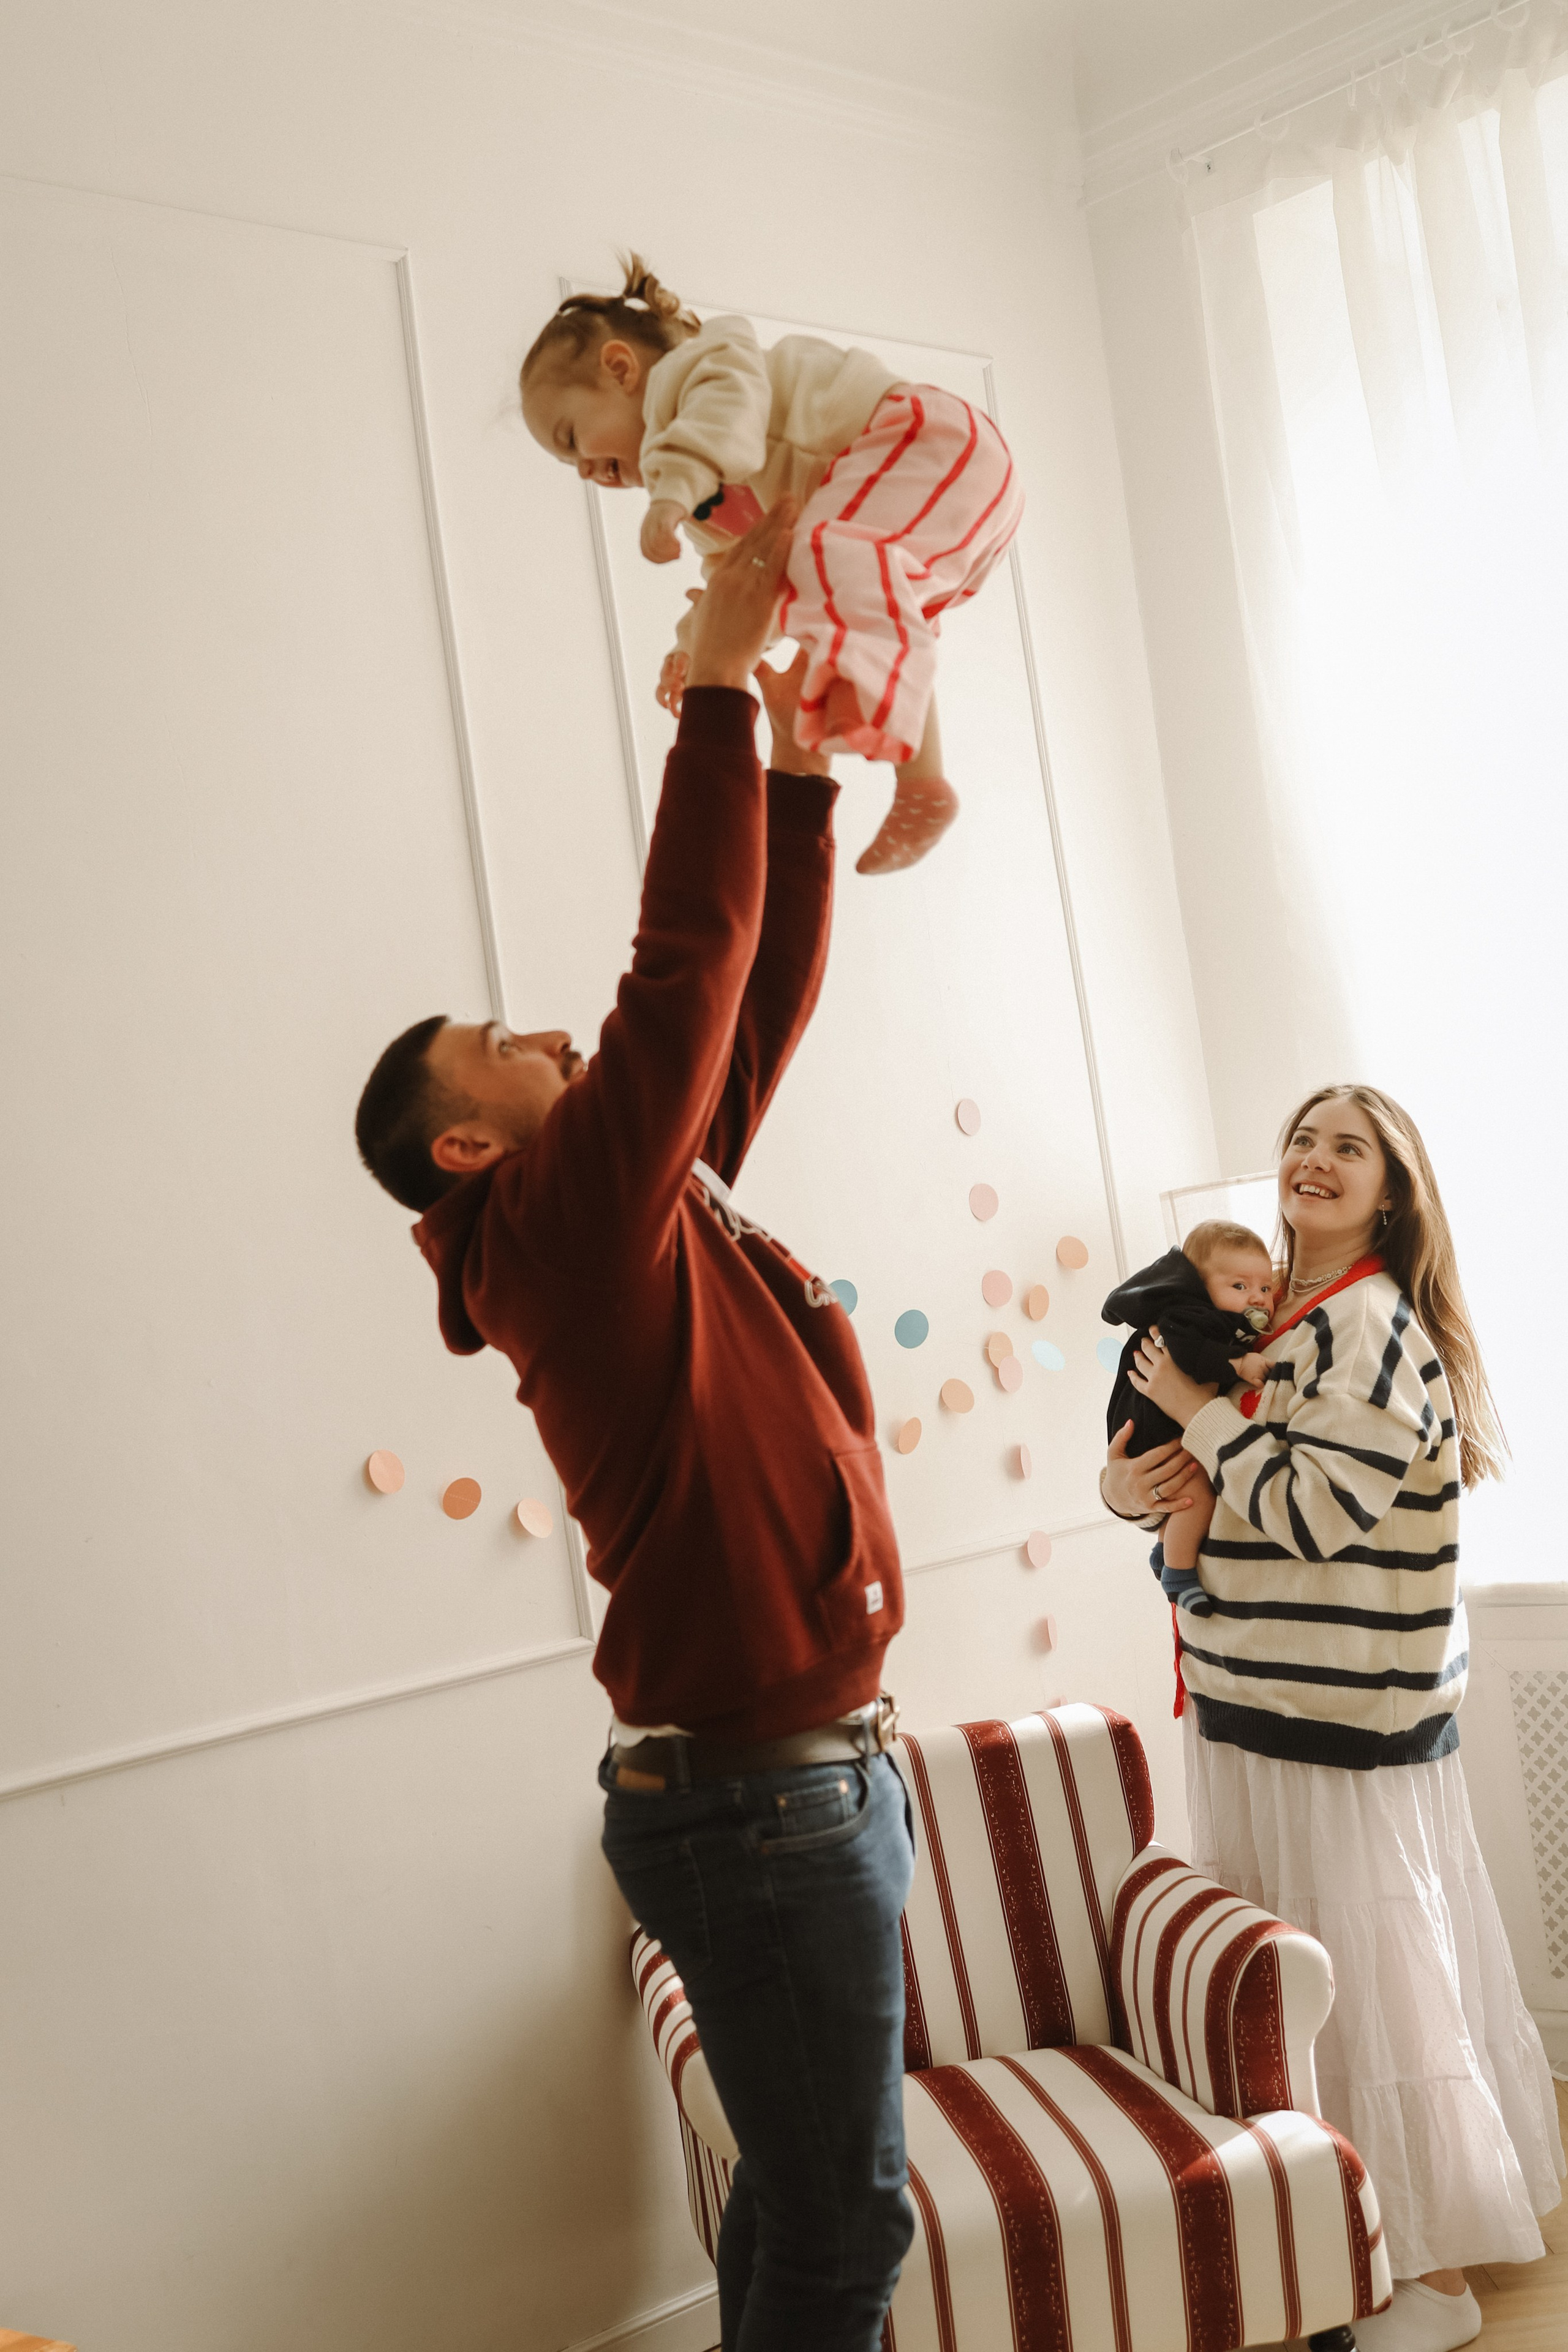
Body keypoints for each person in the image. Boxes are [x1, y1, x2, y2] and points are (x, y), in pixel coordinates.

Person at [353, 503, 916, 2352]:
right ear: (469, 1141)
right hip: (762, 1803)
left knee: (802, 2198)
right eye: (512, 1040)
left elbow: (738, 1012)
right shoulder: (559, 1223)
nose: (552, 1041)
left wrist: (809, 785)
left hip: (798, 1781)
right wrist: (709, 691)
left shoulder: (634, 1208)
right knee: (846, 2228)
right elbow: (679, 973)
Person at [1101, 1085, 1563, 2352]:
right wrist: (1133, 1475)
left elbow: (1308, 1512)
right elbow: (1210, 1486)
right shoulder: (1275, 1319)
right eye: (1300, 1140)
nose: (1311, 1159)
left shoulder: (1365, 1324)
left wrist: (1197, 1412)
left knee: (1362, 1991)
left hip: (1327, 1721)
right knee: (1308, 1985)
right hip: (1258, 1696)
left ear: (1389, 1191)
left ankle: (1424, 2274)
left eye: (1344, 1149)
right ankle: (1351, 2248)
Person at [519, 255, 1023, 876]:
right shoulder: (712, 508)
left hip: (931, 442)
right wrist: (696, 650)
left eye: (572, 440)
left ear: (620, 368)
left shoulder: (705, 366)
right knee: (839, 594)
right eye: (569, 467)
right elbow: (742, 584)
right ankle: (923, 786)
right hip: (942, 514)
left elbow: (725, 422)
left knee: (830, 554)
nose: (587, 473)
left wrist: (672, 490)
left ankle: (893, 741)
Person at [1100, 1218, 1274, 1616]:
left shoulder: (1206, 1316)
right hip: (1152, 1429)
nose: (1259, 1298)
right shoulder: (1191, 1316)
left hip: (1156, 1426)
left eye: (1265, 1288)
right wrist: (1238, 1363)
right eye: (1240, 1287)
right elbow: (1190, 1354)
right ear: (1200, 1284)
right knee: (1195, 1491)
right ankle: (1179, 1572)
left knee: (1189, 1489)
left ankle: (1165, 1552)